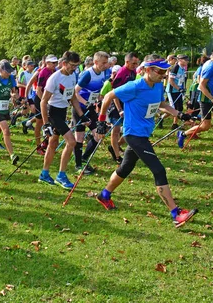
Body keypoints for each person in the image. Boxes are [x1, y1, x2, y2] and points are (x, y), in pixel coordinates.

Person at [94, 55, 197, 228]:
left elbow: (162, 103)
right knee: (158, 170)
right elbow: (108, 96)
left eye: (165, 71)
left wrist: (179, 114)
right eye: (160, 71)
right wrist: (101, 120)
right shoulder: (134, 86)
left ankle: (104, 195)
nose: (163, 75)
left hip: (143, 133)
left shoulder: (157, 85)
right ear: (148, 70)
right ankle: (175, 213)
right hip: (134, 134)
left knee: (125, 168)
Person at [38, 51, 85, 189]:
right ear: (64, 64)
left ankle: (44, 174)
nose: (75, 68)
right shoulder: (54, 78)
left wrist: (82, 115)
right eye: (72, 65)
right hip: (53, 113)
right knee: (71, 141)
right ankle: (61, 176)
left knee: (53, 143)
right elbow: (43, 101)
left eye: (77, 65)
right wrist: (46, 124)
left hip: (63, 112)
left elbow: (72, 97)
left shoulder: (72, 76)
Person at [177, 48, 213, 153]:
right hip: (206, 99)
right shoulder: (209, 67)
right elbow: (202, 85)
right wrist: (212, 98)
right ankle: (183, 134)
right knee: (205, 126)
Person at [73, 51, 110, 175]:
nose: (106, 65)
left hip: (90, 108)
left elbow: (96, 91)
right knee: (79, 137)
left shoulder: (103, 72)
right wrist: (86, 103)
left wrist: (99, 100)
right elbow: (75, 92)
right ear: (95, 62)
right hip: (80, 108)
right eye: (103, 63)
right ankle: (78, 165)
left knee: (99, 134)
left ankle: (84, 158)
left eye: (107, 63)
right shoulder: (88, 74)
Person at [105, 52, 140, 163]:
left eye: (137, 63)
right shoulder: (121, 73)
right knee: (116, 130)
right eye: (133, 63)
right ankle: (117, 156)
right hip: (117, 106)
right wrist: (119, 109)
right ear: (127, 62)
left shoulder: (133, 71)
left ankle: (115, 146)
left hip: (128, 104)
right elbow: (114, 93)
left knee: (130, 129)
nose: (135, 65)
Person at [165, 54, 188, 130]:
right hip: (172, 91)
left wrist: (183, 88)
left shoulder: (182, 68)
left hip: (178, 90)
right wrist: (178, 88)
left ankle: (175, 124)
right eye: (186, 60)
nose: (187, 61)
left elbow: (181, 80)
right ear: (180, 60)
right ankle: (161, 118)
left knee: (179, 108)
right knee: (173, 108)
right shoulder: (175, 68)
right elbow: (170, 81)